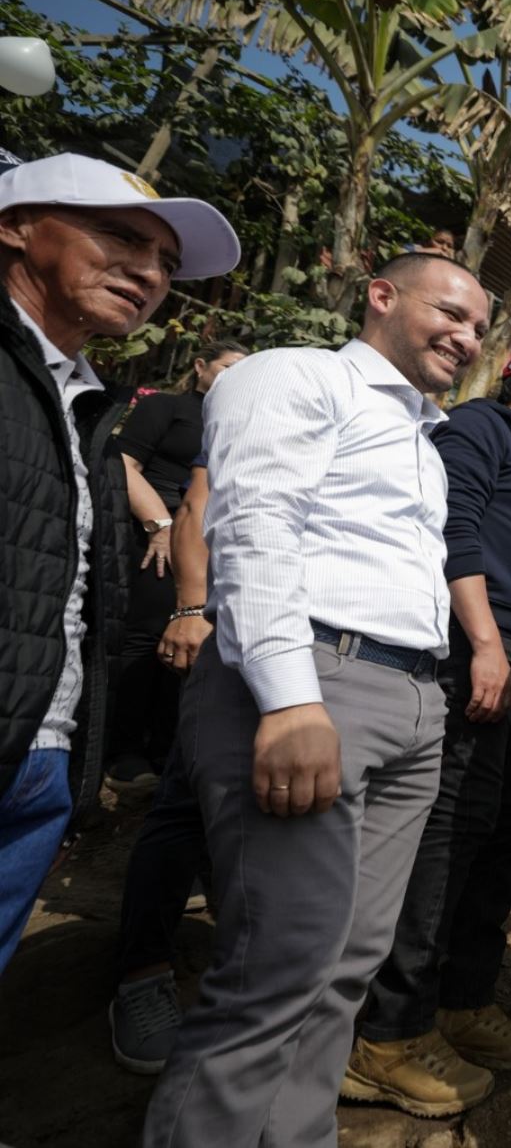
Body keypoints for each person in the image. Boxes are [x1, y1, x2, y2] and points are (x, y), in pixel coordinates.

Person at [142, 251, 482, 1146]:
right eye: (451, 312)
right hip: (313, 682)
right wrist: (290, 702)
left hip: (412, 700)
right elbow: (254, 526)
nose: (469, 336)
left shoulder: (422, 437)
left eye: (480, 326)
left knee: (345, 969)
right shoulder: (297, 374)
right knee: (277, 966)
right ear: (381, 296)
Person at [346, 346, 511, 1116]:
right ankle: (390, 1029)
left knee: (508, 824)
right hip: (480, 646)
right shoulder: (476, 428)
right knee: (454, 824)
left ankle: (464, 1000)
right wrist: (487, 641)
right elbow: (450, 532)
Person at [0, 153, 238, 979]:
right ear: (17, 226)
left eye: (167, 262)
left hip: (43, 755)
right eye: (119, 237)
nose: (149, 272)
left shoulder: (84, 404)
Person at [110, 457, 216, 1073]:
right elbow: (197, 503)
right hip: (226, 629)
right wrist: (189, 606)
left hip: (314, 642)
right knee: (186, 797)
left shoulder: (420, 425)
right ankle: (141, 975)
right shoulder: (287, 386)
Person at [106, 341, 248, 791]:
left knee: (193, 646)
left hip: (212, 541)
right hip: (157, 532)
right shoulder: (167, 407)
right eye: (227, 368)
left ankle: (165, 747)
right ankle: (121, 750)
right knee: (147, 635)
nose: (234, 379)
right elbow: (122, 465)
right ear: (200, 365)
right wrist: (161, 525)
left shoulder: (243, 422)